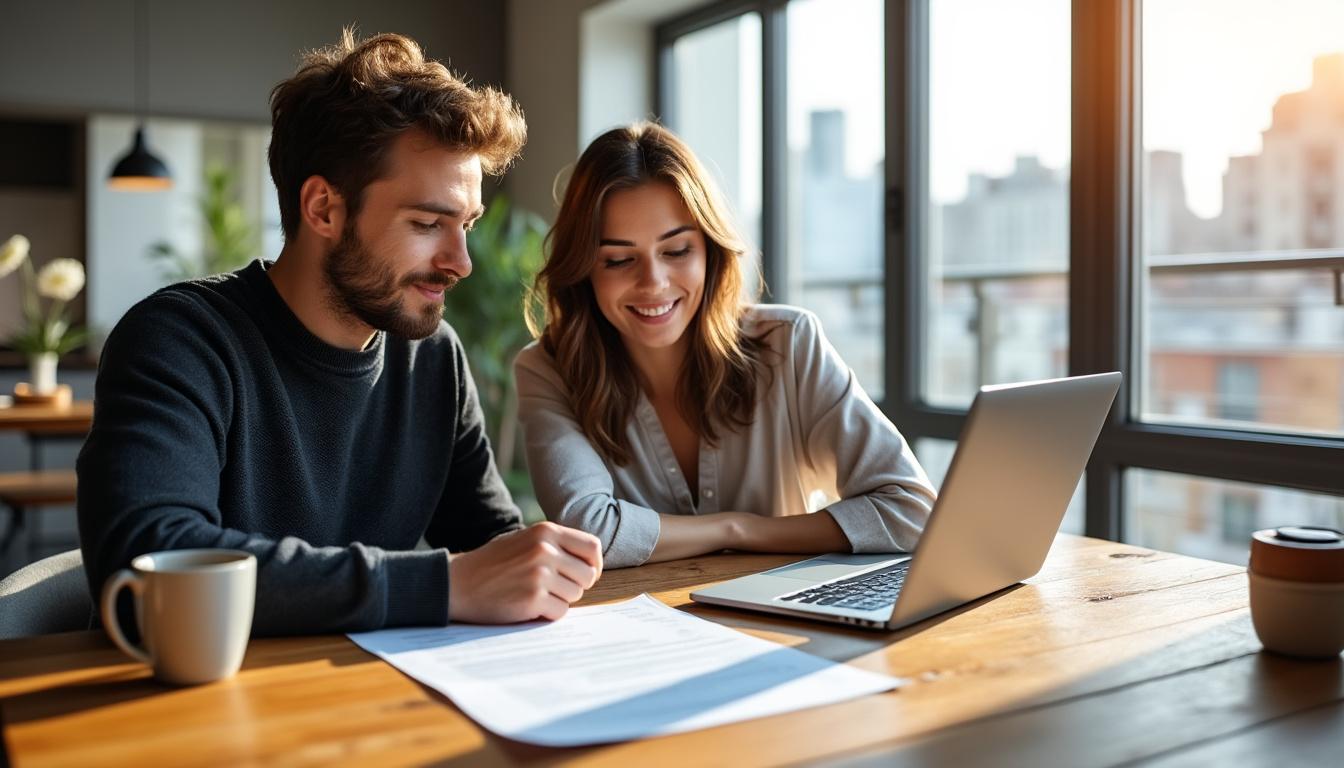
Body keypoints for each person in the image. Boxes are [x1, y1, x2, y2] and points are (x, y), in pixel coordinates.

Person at [77, 31, 602, 635]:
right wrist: (443, 583)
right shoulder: (180, 341)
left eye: (468, 224)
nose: (462, 261)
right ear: (323, 207)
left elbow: (492, 543)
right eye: (429, 222)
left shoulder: (432, 358)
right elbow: (151, 563)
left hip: (359, 705)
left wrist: (545, 565)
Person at [515, 123, 936, 569]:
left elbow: (911, 511)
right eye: (618, 259)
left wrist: (743, 529)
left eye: (676, 251)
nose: (653, 284)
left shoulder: (790, 345)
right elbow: (587, 531)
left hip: (792, 621)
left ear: (709, 253)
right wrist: (726, 530)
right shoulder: (548, 370)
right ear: (583, 268)